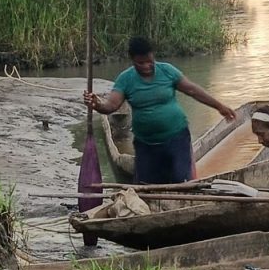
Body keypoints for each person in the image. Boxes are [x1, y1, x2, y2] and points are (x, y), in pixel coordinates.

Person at [83, 36, 237, 184]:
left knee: (181, 182)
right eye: (140, 63)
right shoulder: (126, 79)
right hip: (146, 144)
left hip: (176, 138)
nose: (146, 66)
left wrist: (219, 106)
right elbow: (111, 106)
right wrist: (97, 104)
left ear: (153, 56)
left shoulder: (167, 71)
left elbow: (193, 90)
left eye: (149, 61)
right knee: (147, 187)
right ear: (132, 61)